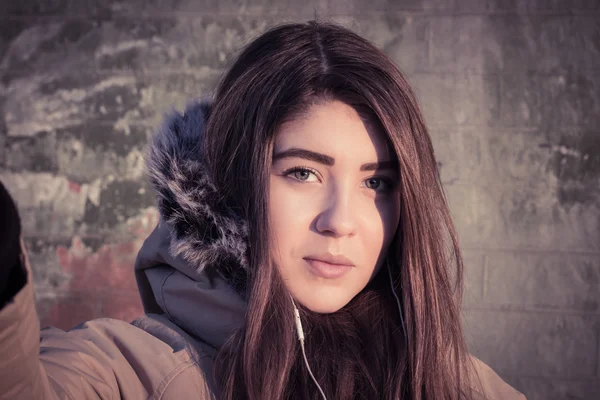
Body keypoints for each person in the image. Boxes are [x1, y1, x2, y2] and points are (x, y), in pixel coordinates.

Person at [0, 20, 526, 400]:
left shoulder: (446, 379)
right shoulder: (144, 370)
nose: (340, 221)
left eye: (376, 182)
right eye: (302, 173)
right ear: (231, 184)